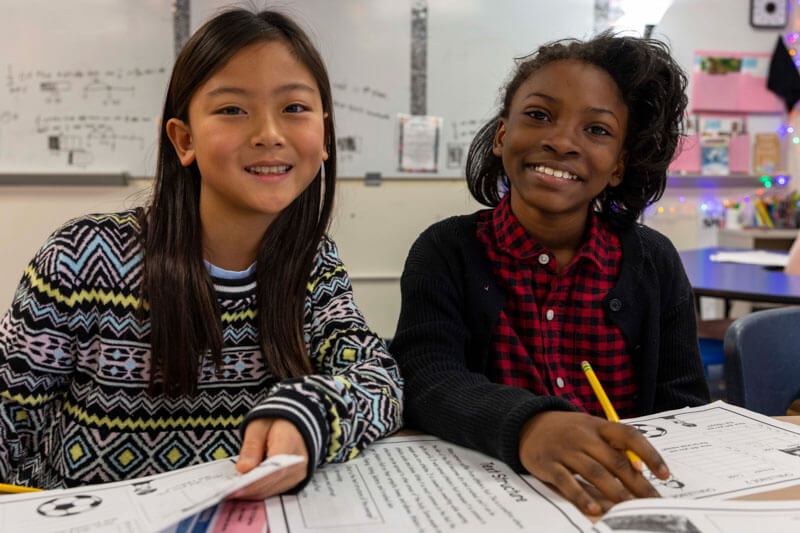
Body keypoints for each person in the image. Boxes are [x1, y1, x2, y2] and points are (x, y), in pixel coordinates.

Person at [0, 9, 402, 496]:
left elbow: (380, 381)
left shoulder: (313, 263)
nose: (269, 133)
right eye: (232, 110)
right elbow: (9, 424)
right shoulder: (82, 257)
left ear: (325, 137)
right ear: (184, 139)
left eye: (294, 107)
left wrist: (312, 412)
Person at [391, 33, 709, 515]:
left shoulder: (653, 261)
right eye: (539, 115)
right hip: (489, 502)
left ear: (619, 165)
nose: (561, 142)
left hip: (623, 502)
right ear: (502, 136)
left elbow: (687, 408)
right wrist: (528, 425)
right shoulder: (447, 250)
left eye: (597, 130)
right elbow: (424, 379)